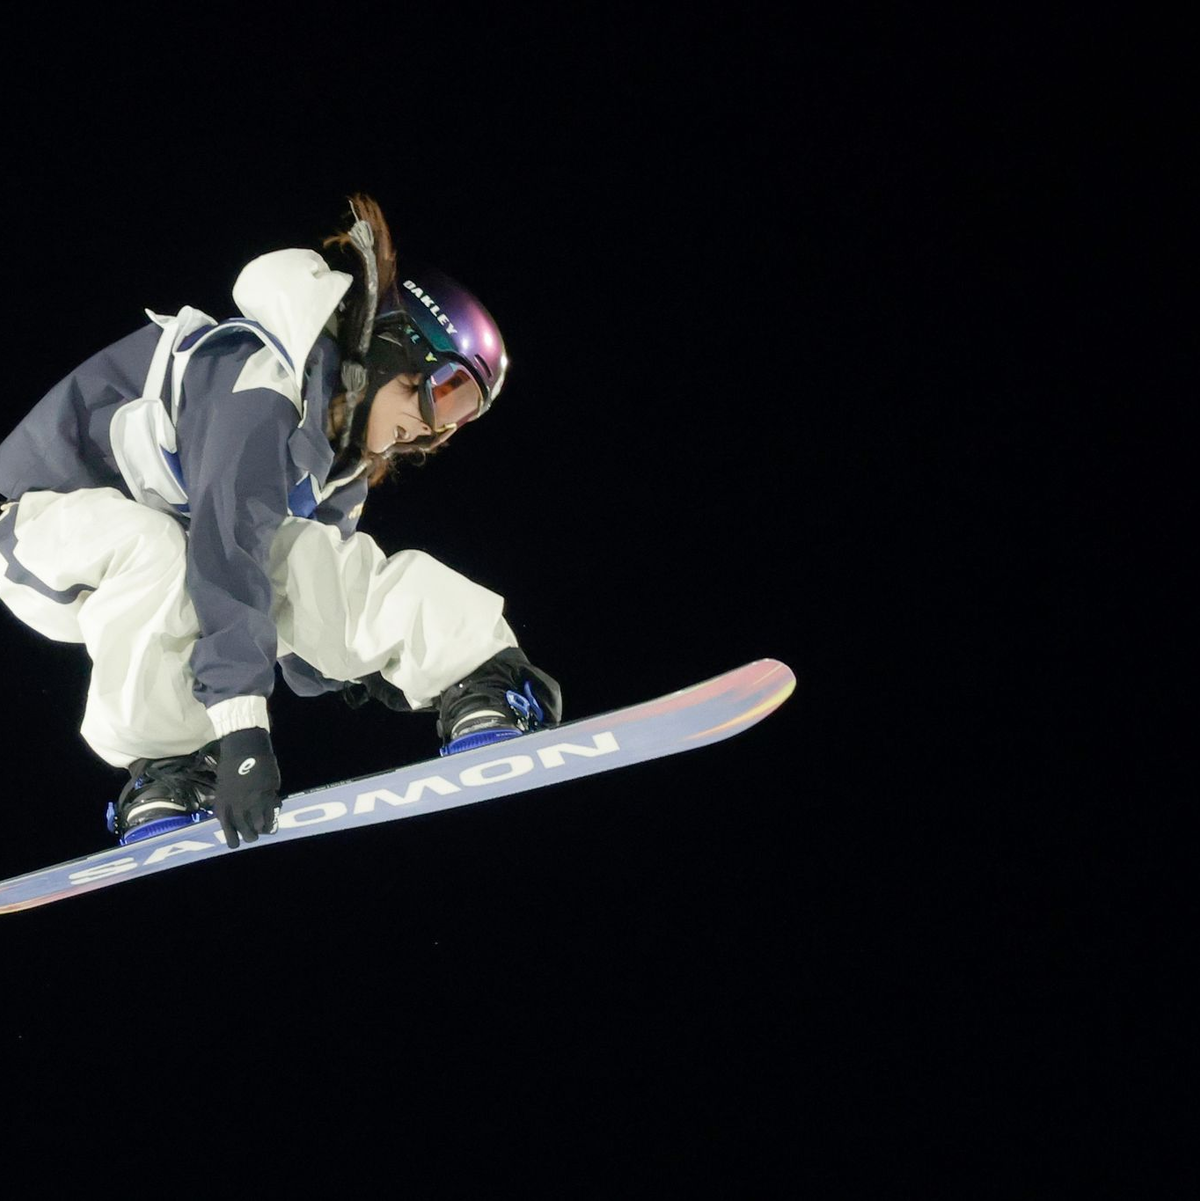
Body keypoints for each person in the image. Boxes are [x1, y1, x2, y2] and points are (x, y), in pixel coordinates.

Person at [0, 194, 561, 850]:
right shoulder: (258, 380)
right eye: (441, 392)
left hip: (168, 540)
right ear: (386, 353)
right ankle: (166, 766)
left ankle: (481, 673)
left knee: (303, 548)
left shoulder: (336, 470)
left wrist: (361, 666)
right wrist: (241, 733)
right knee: (157, 548)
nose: (435, 430)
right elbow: (224, 549)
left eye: (463, 414)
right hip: (30, 523)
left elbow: (300, 594)